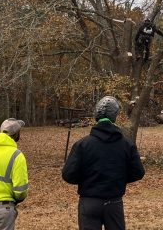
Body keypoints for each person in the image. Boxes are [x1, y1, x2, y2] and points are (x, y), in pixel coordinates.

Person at [62, 96, 145, 230]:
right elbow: (138, 172)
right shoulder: (126, 144)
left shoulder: (83, 145)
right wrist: (119, 178)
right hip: (114, 203)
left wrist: (87, 180)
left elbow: (68, 175)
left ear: (96, 115)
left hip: (89, 202)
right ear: (115, 116)